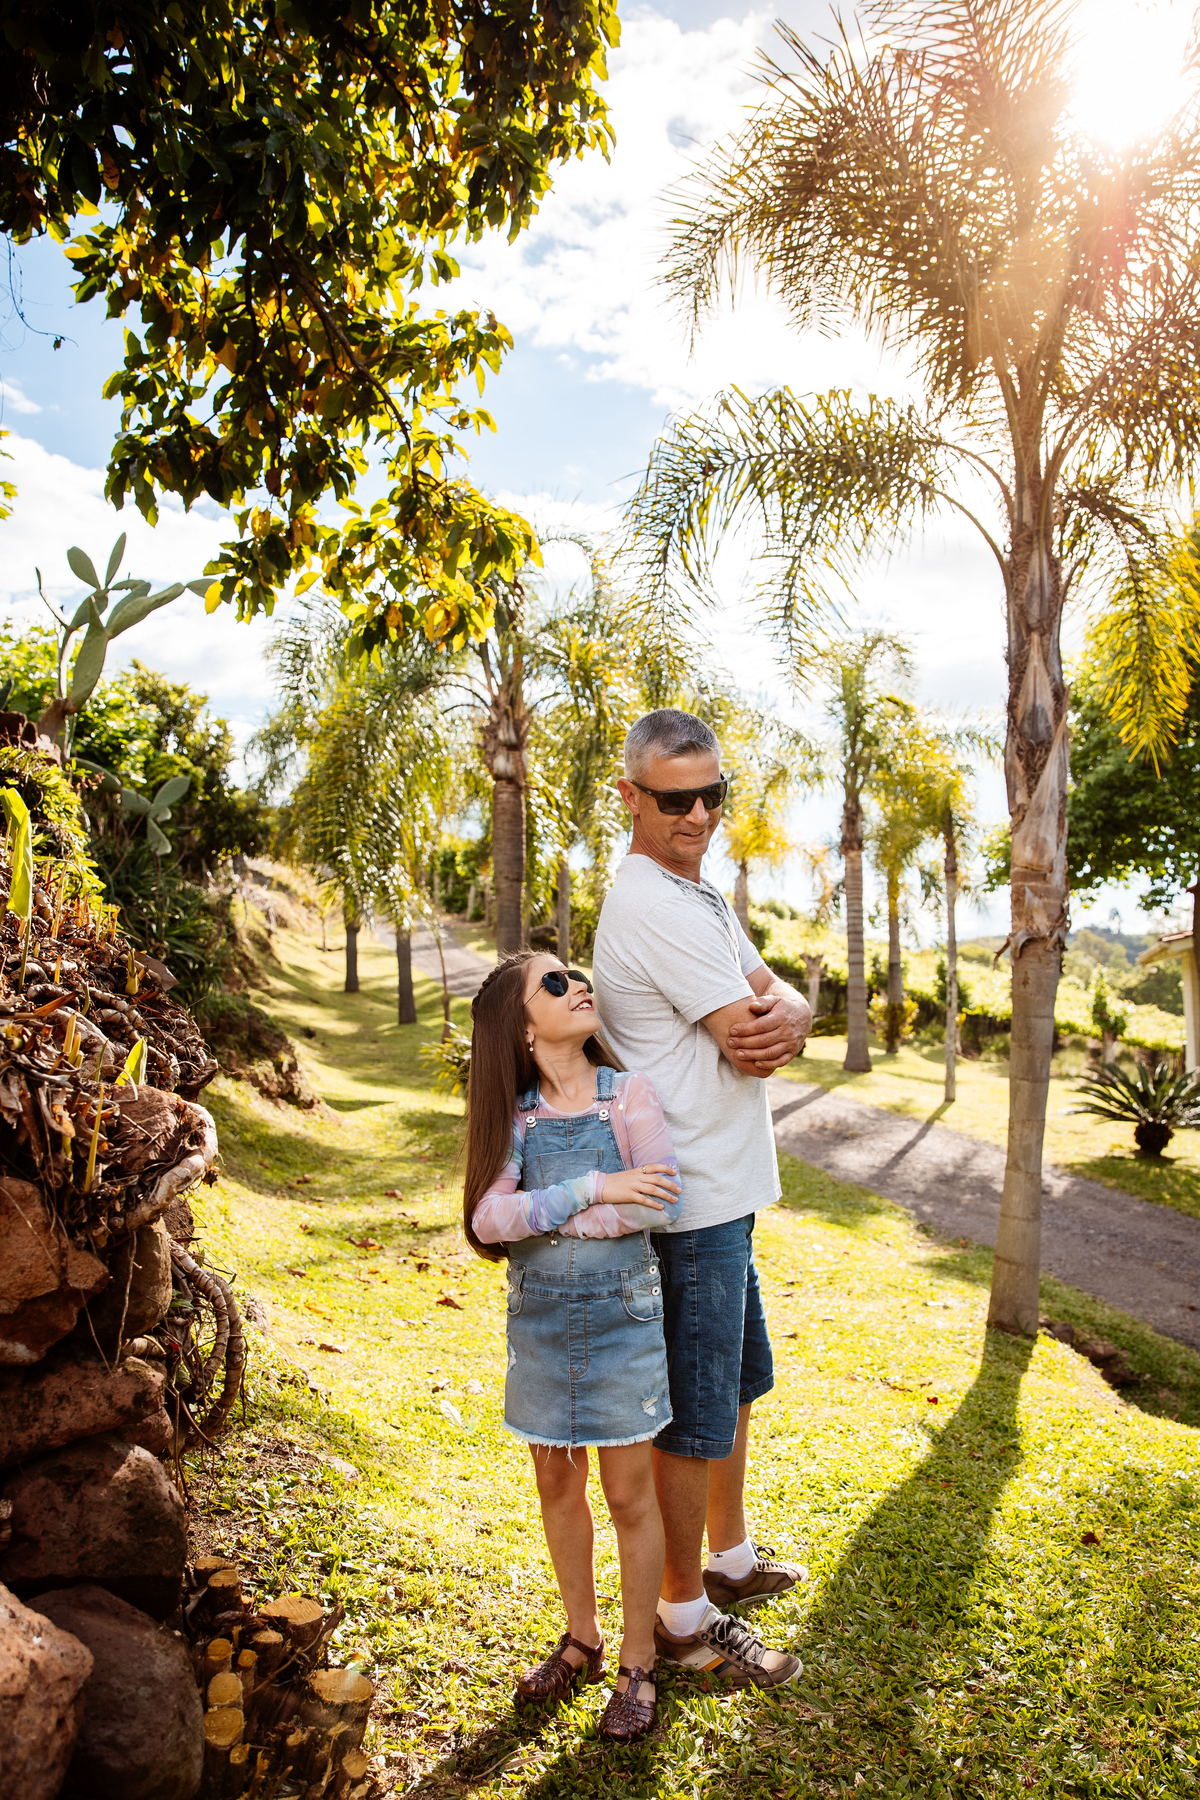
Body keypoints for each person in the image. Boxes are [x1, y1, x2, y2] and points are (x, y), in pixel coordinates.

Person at [592, 708, 813, 1689]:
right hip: (689, 1201)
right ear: (632, 797)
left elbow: (777, 1000)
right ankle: (684, 1614)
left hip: (730, 1189)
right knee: (694, 1412)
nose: (698, 814)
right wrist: (780, 1017)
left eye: (712, 794)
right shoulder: (651, 902)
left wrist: (796, 1007)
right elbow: (748, 1031)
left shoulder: (700, 894)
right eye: (675, 798)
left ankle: (728, 1559)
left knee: (736, 1384)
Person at [463, 949, 684, 1743]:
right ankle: (581, 1640)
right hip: (544, 1331)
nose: (576, 985)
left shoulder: (629, 1097)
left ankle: (636, 1663)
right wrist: (594, 1188)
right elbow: (490, 1222)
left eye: (575, 974)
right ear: (523, 1028)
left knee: (629, 1497)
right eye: (553, 983)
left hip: (623, 1322)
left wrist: (548, 1212)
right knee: (559, 1488)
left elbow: (658, 1199)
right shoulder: (516, 1120)